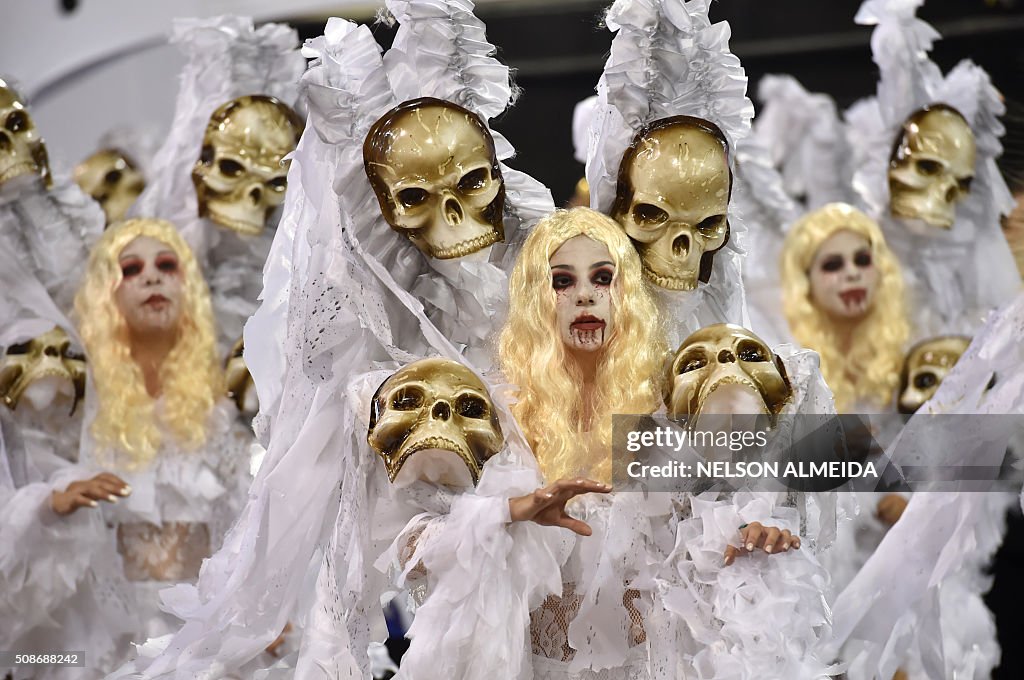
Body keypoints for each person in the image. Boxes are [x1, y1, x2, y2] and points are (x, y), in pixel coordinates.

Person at [73, 218, 252, 672]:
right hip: (106, 644)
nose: (151, 276)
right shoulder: (77, 401)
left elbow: (250, 520)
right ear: (104, 294)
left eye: (166, 265)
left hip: (212, 643)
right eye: (130, 269)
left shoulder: (227, 398)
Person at [781, 202, 910, 412]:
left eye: (862, 260)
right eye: (833, 265)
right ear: (805, 281)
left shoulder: (908, 344)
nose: (852, 273)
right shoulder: (787, 365)